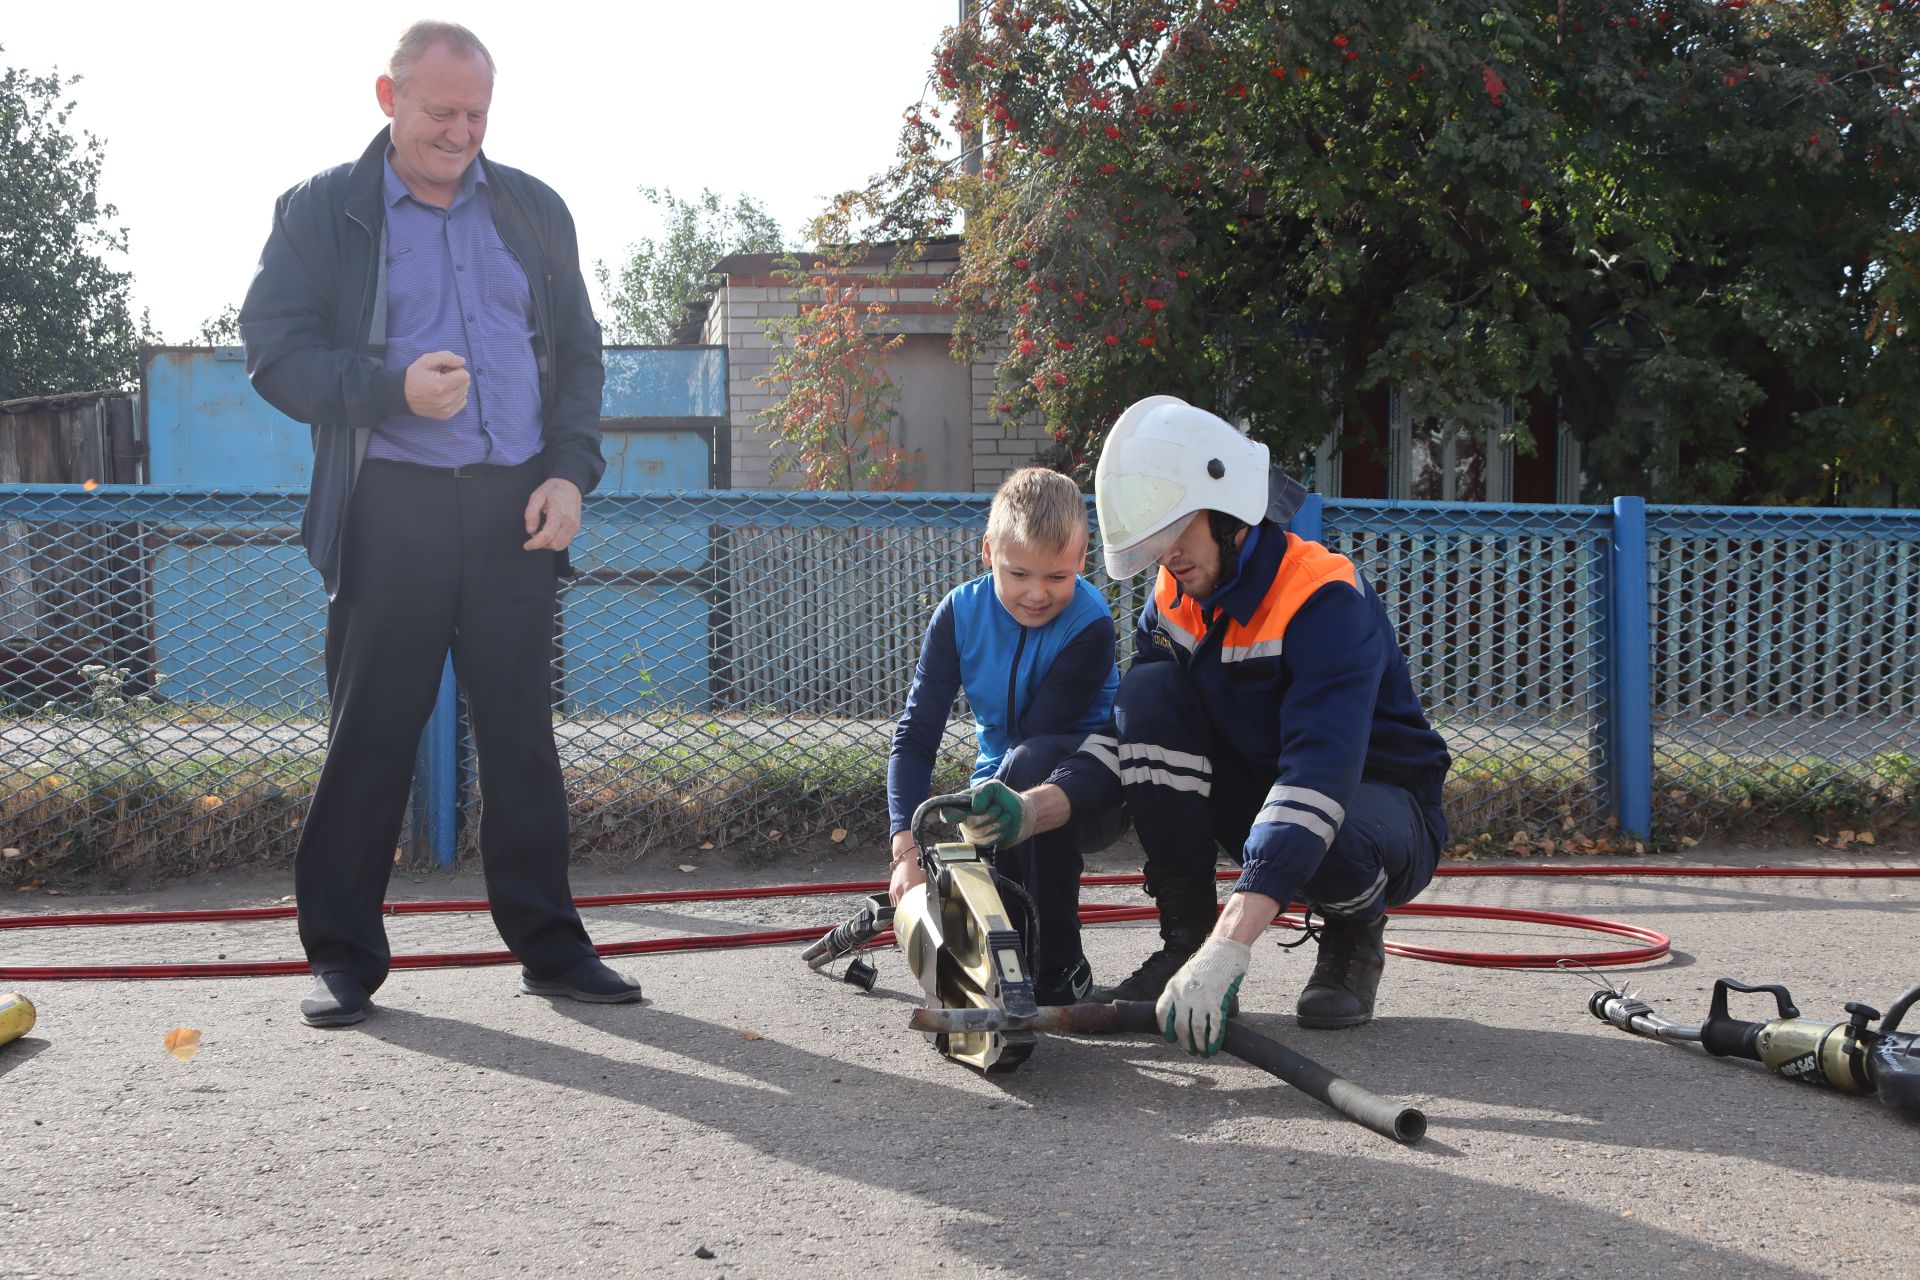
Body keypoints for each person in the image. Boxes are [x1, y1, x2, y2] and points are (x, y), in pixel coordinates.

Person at [238, 20, 640, 1027]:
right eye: (440, 113)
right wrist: (386, 388)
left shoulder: (536, 210)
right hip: (392, 508)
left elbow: (581, 362)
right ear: (388, 96)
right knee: (371, 732)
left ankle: (551, 944)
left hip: (518, 507)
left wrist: (570, 475)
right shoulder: (321, 210)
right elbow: (273, 351)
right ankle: (340, 956)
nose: (460, 135)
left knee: (520, 737)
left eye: (477, 116)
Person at [960, 397, 1452, 1053]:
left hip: (1377, 806)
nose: (1166, 559)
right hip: (1261, 791)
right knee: (1151, 689)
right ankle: (1181, 942)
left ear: (1228, 512)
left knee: (1328, 833)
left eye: (1175, 535)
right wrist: (1033, 808)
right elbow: (1130, 736)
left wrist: (1232, 947)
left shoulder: (1325, 599)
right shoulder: (1177, 600)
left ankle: (1352, 929)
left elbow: (1317, 775)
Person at [885, 467, 1126, 1005]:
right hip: (1004, 776)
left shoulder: (1091, 624)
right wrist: (906, 848)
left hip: (1086, 788)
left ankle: (1060, 965)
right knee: (992, 802)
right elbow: (917, 733)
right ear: (988, 551)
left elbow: (1034, 738)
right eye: (1019, 574)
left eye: (1058, 578)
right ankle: (1006, 959)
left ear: (1083, 561)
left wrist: (966, 834)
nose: (1038, 594)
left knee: (1026, 766)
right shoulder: (957, 613)